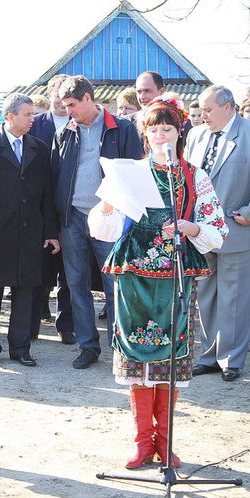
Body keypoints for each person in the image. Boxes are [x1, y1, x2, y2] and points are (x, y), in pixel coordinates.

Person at [89, 96, 227, 468]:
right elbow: (103, 228)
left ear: (179, 131)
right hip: (134, 272)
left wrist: (191, 226)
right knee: (136, 353)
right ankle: (141, 442)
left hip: (177, 273)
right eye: (154, 129)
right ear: (145, 135)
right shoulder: (131, 173)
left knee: (171, 356)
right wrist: (105, 204)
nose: (161, 135)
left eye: (168, 128)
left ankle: (165, 443)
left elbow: (217, 230)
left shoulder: (195, 175)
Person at [185, 85, 250, 382]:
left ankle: (232, 359)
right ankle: (209, 355)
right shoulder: (195, 135)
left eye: (208, 110)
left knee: (236, 298)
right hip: (202, 232)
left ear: (228, 107)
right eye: (201, 110)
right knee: (206, 296)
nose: (202, 116)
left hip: (240, 230)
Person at [51, 75, 143, 369]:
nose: (68, 111)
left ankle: (120, 346)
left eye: (72, 105)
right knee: (76, 284)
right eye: (65, 106)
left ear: (89, 99)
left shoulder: (123, 129)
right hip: (73, 219)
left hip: (110, 219)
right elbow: (55, 178)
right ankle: (88, 346)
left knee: (114, 284)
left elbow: (133, 174)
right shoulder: (65, 132)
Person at [0, 93, 58, 367]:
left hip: (31, 229)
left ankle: (21, 348)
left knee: (25, 290)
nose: (33, 119)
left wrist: (50, 231)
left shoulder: (40, 148)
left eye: (34, 114)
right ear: (10, 116)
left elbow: (48, 193)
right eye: (28, 115)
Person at [28, 73, 75, 346]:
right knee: (39, 271)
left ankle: (66, 325)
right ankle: (31, 323)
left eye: (65, 96)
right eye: (56, 94)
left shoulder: (79, 123)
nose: (59, 100)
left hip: (69, 209)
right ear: (49, 95)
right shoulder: (36, 124)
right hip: (40, 209)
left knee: (69, 273)